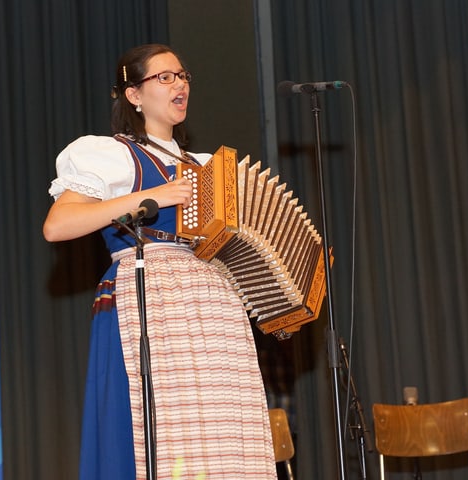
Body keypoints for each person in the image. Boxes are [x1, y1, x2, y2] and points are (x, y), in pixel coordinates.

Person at [43, 44, 277, 479]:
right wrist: (154, 196)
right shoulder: (112, 154)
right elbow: (58, 225)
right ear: (134, 95)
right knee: (159, 430)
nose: (179, 85)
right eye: (165, 77)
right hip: (152, 296)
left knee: (222, 434)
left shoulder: (208, 168)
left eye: (183, 76)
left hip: (215, 309)